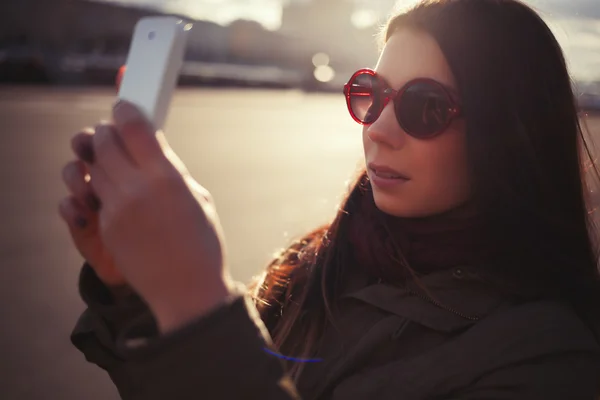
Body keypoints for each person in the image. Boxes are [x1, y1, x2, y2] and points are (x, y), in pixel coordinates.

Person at [59, 0, 600, 398]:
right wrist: (133, 292)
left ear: (511, 134)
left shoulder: (546, 361)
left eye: (426, 107)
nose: (378, 129)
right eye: (373, 94)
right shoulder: (313, 263)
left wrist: (197, 303)